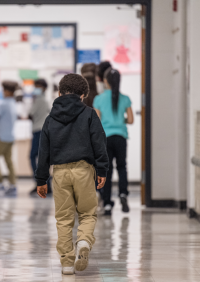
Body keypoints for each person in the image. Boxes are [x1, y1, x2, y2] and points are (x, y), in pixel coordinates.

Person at [35, 74, 109, 275]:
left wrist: (41, 180)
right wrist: (102, 169)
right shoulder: (89, 114)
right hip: (84, 170)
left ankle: (67, 263)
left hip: (59, 173)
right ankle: (84, 241)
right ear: (83, 95)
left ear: (59, 93)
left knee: (64, 218)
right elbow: (99, 143)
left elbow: (43, 152)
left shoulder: (50, 119)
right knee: (87, 213)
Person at [93, 68, 134, 215]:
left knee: (107, 171)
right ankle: (123, 194)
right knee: (122, 167)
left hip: (105, 139)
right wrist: (119, 120)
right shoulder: (125, 98)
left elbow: (96, 121)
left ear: (105, 81)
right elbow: (130, 120)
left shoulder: (99, 99)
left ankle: (107, 204)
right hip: (121, 137)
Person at [0, 81, 19, 196]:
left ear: (7, 91)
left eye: (3, 90)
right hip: (10, 136)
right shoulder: (13, 103)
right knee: (9, 161)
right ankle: (12, 184)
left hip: (2, 137)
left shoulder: (4, 104)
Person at [28, 78, 52, 196]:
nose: (36, 89)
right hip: (44, 131)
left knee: (33, 156)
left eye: (38, 87)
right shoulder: (45, 101)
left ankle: (40, 183)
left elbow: (30, 114)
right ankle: (47, 183)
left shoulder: (38, 100)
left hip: (39, 131)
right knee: (43, 158)